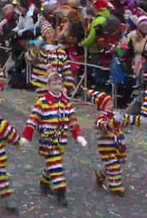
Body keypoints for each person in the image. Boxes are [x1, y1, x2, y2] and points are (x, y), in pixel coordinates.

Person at [21, 72, 87, 207]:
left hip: (61, 140)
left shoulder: (66, 102)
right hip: (48, 140)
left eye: (59, 84)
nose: (57, 86)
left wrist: (78, 135)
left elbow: (72, 120)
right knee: (56, 166)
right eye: (54, 84)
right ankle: (60, 192)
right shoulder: (42, 102)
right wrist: (26, 136)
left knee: (52, 164)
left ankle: (44, 183)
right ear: (49, 85)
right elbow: (33, 119)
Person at [88, 90, 147, 196]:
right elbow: (104, 125)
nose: (111, 105)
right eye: (108, 103)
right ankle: (116, 187)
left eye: (111, 102)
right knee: (113, 165)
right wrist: (113, 122)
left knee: (115, 163)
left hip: (118, 146)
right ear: (102, 106)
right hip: (106, 147)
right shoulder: (101, 117)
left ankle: (101, 175)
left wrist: (138, 120)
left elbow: (128, 119)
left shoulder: (115, 114)